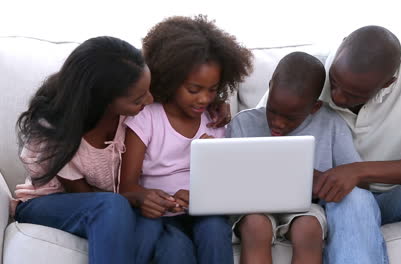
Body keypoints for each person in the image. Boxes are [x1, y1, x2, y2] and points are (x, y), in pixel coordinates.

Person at [258, 25, 401, 264]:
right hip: (340, 198)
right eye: (335, 83)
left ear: (389, 83)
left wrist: (358, 171)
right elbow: (258, 135)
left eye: (354, 94)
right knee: (353, 197)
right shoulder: (310, 72)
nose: (337, 97)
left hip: (400, 194)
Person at [13, 36, 162, 264]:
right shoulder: (55, 128)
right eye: (139, 99)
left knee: (153, 223)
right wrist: (134, 197)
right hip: (49, 204)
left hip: (112, 205)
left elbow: (181, 98)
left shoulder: (131, 116)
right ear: (102, 100)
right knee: (113, 205)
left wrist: (216, 104)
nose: (150, 100)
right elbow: (84, 197)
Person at [119, 15, 253, 264]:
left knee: (214, 230)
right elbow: (126, 186)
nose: (203, 99)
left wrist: (203, 193)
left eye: (212, 90)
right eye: (194, 89)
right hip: (163, 217)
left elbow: (229, 187)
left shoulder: (215, 121)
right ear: (170, 79)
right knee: (174, 251)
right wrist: (150, 199)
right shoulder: (147, 118)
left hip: (206, 214)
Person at [226, 52, 362, 264]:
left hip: (305, 206)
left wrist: (320, 180)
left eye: (290, 118)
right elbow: (229, 178)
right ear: (270, 87)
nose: (278, 123)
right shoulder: (243, 123)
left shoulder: (332, 124)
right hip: (254, 207)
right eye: (273, 111)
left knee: (309, 228)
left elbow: (352, 176)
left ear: (314, 107)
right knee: (255, 225)